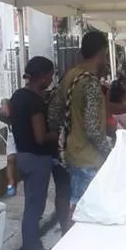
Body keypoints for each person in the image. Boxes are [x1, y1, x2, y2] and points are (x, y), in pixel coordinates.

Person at [50, 31, 112, 215]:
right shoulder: (91, 84)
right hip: (90, 158)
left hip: (73, 153)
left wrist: (69, 132)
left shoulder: (70, 76)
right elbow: (93, 129)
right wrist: (110, 153)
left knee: (76, 206)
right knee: (88, 214)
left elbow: (53, 114)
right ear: (101, 53)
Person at [9, 57, 60, 250]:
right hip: (37, 157)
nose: (51, 79)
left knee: (32, 205)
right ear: (42, 76)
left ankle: (36, 248)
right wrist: (55, 135)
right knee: (34, 208)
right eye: (50, 75)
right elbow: (40, 136)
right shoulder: (34, 101)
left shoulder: (18, 96)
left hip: (22, 155)